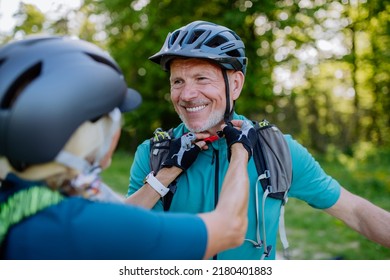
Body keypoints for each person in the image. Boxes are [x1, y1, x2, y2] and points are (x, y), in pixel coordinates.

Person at [127, 20, 390, 260]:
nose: (187, 94)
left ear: (236, 85)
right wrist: (163, 176)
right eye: (178, 81)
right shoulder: (155, 154)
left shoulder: (276, 150)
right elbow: (123, 235)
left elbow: (355, 211)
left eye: (201, 78)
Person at [0, 35, 257, 260]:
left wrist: (167, 172)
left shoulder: (18, 204)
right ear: (89, 135)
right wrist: (240, 152)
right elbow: (231, 227)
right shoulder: (85, 226)